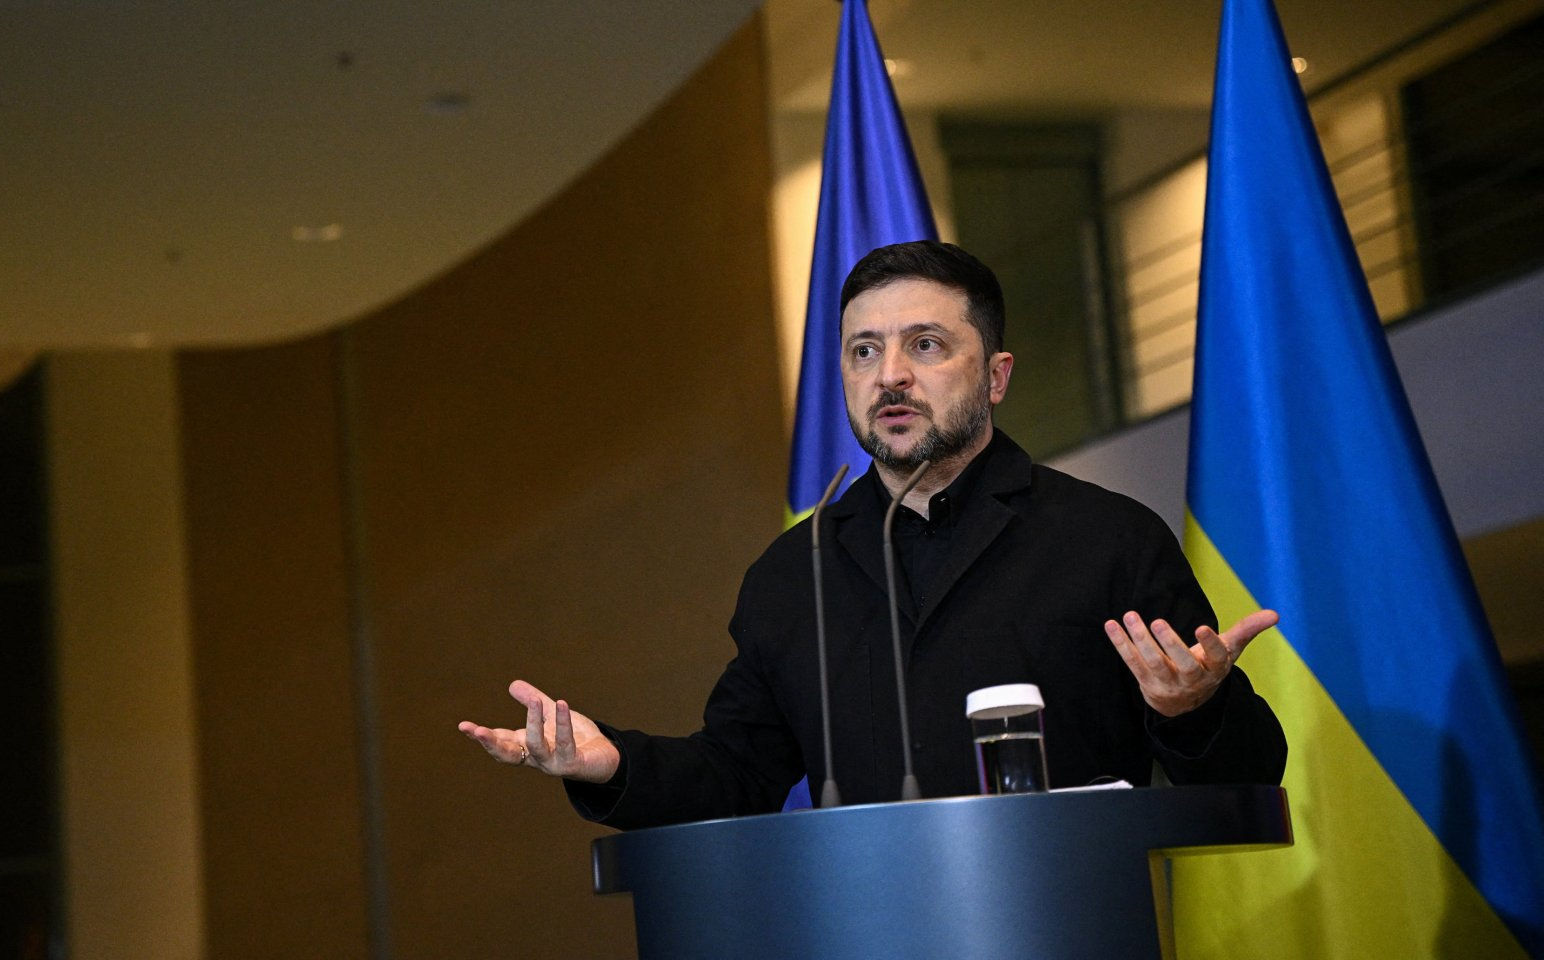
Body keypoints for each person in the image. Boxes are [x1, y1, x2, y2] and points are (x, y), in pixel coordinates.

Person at [457, 241, 1286, 830]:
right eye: (864, 351)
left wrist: (1194, 711)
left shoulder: (1107, 538)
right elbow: (738, 775)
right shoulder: (792, 573)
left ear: (996, 376)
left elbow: (1248, 775)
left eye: (925, 345)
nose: (890, 374)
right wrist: (614, 764)